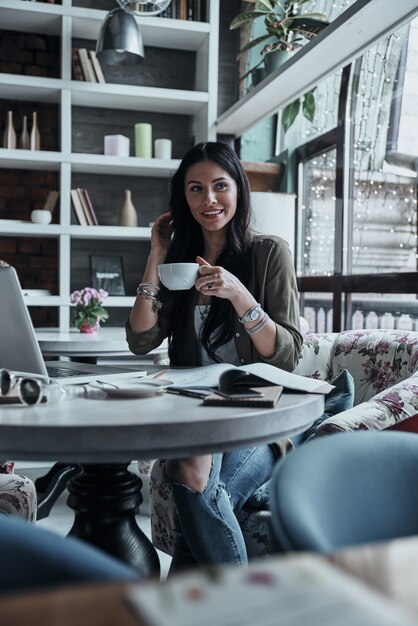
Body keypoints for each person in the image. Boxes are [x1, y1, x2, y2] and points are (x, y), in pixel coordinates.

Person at [126, 141, 302, 571]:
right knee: (196, 491)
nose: (209, 200)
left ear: (239, 190)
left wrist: (240, 295)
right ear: (182, 199)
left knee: (187, 472)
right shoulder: (180, 263)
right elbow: (141, 339)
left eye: (220, 186)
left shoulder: (268, 253)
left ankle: (234, 610)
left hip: (255, 417)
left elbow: (287, 357)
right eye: (195, 189)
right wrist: (157, 254)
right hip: (195, 413)